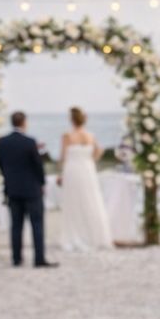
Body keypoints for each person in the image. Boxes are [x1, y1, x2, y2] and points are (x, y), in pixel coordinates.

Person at [0, 111, 54, 268]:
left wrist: (9, 180)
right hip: (31, 189)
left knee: (16, 225)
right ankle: (39, 258)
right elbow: (38, 165)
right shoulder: (30, 142)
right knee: (37, 224)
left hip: (13, 189)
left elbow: (0, 164)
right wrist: (42, 183)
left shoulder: (2, 142)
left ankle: (16, 258)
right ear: (24, 122)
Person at [57, 106, 113, 253]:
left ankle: (76, 235)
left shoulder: (67, 136)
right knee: (92, 201)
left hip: (73, 171)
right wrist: (89, 160)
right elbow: (98, 152)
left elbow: (63, 157)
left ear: (71, 120)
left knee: (73, 202)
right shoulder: (90, 136)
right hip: (88, 170)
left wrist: (60, 174)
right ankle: (96, 236)